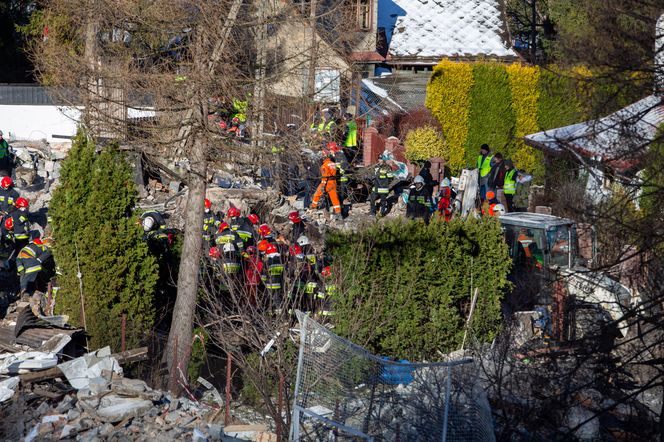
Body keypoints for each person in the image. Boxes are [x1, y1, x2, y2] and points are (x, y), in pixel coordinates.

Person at [311, 150, 342, 219]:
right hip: (334, 182)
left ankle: (313, 207)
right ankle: (338, 213)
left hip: (327, 183)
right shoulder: (333, 163)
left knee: (316, 195)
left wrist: (323, 186)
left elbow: (325, 177)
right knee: (334, 198)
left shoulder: (324, 166)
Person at [263, 243, 284, 308]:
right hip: (279, 284)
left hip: (270, 285)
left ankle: (271, 312)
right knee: (278, 299)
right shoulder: (281, 261)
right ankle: (279, 311)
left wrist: (263, 282)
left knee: (270, 300)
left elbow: (263, 275)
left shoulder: (267, 263)